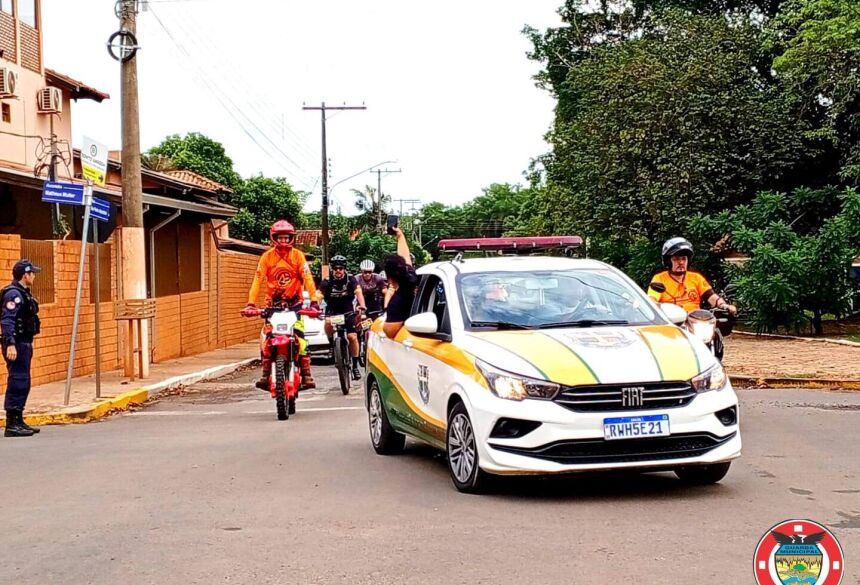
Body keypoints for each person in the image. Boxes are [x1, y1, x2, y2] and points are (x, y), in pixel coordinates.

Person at [245, 220, 320, 390]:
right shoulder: (267, 257)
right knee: (268, 339)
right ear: (274, 237)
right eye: (281, 237)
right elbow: (257, 280)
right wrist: (250, 303)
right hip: (273, 306)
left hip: (296, 305)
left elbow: (307, 278)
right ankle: (265, 374)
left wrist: (313, 301)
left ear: (291, 238)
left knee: (300, 338)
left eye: (287, 237)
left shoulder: (298, 256)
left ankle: (307, 374)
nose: (284, 241)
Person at [2, 259, 42, 437]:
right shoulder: (13, 294)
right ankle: (12, 423)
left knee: (23, 381)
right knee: (17, 380)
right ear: (25, 274)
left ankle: (18, 419)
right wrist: (10, 343)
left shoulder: (23, 293)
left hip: (24, 342)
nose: (34, 276)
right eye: (32, 273)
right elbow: (7, 320)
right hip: (16, 344)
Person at [648, 237, 737, 315]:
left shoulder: (696, 278)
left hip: (696, 321)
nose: (681, 262)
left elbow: (711, 296)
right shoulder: (659, 278)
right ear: (668, 261)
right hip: (671, 323)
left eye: (684, 259)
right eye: (676, 259)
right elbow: (652, 299)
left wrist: (724, 305)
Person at [320, 255, 366, 380]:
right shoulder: (327, 281)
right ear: (332, 269)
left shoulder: (350, 279)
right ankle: (332, 346)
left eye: (340, 268)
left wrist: (362, 306)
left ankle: (355, 366)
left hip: (347, 310)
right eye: (335, 269)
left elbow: (358, 293)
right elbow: (318, 295)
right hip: (332, 310)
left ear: (344, 269)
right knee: (327, 322)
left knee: (352, 337)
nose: (338, 271)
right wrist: (314, 305)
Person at [382, 227, 420, 338]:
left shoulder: (397, 303)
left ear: (390, 279)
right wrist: (400, 236)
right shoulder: (413, 277)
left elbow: (389, 332)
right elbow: (405, 257)